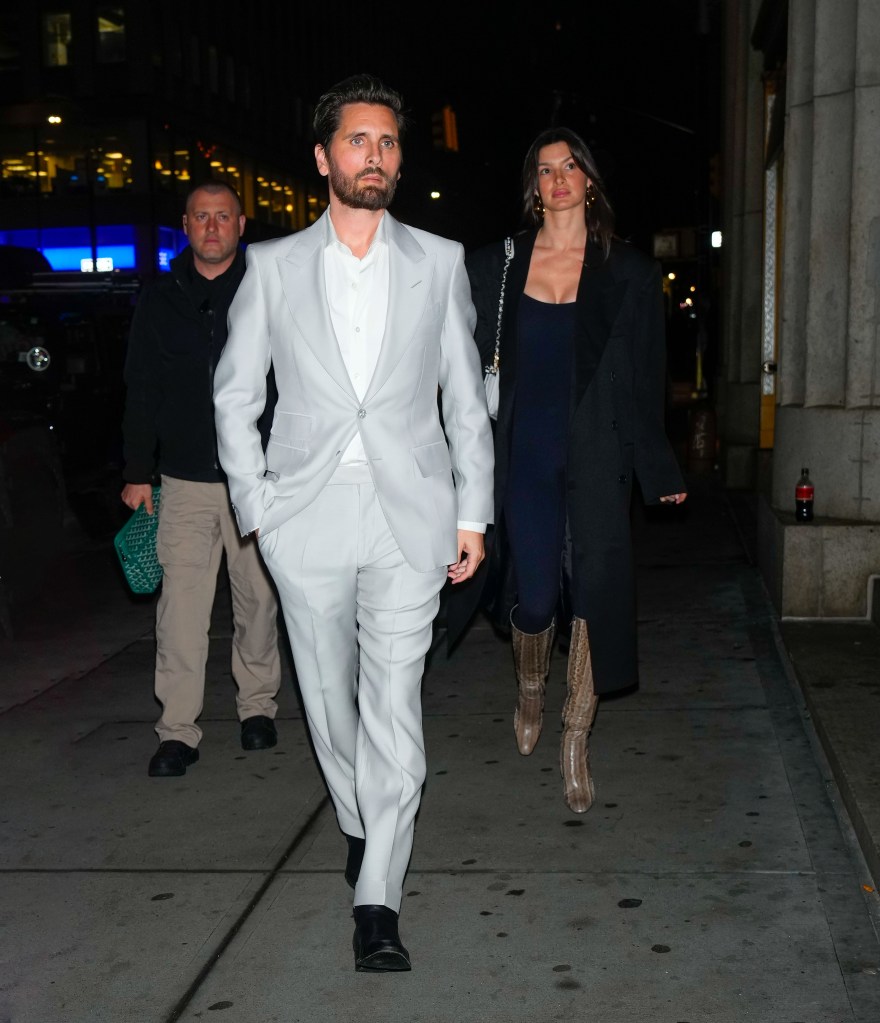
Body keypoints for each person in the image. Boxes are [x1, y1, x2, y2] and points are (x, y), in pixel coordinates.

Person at [212, 75, 494, 972]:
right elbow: (234, 398)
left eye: (388, 142)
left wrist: (473, 514)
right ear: (325, 157)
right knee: (330, 705)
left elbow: (465, 402)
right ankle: (355, 815)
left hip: (411, 514)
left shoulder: (440, 261)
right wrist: (260, 510)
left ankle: (378, 897)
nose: (376, 154)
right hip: (306, 513)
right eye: (358, 140)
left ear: (398, 159)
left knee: (394, 711)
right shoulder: (273, 266)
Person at [457, 126, 686, 815]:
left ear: (590, 180)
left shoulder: (632, 272)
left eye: (570, 166)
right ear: (533, 186)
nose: (557, 179)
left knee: (594, 594)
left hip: (600, 452)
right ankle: (531, 684)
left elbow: (648, 379)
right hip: (524, 447)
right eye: (545, 169)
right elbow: (461, 365)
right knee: (533, 597)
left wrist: (658, 462)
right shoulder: (498, 265)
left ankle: (576, 736)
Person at [121, 181, 282, 778]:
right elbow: (141, 389)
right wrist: (137, 473)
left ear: (242, 226)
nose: (212, 227)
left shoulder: (266, 292)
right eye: (201, 218)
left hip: (256, 481)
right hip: (184, 481)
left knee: (259, 603)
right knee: (180, 611)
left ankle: (257, 709)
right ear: (185, 227)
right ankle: (177, 732)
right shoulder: (159, 302)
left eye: (223, 217)